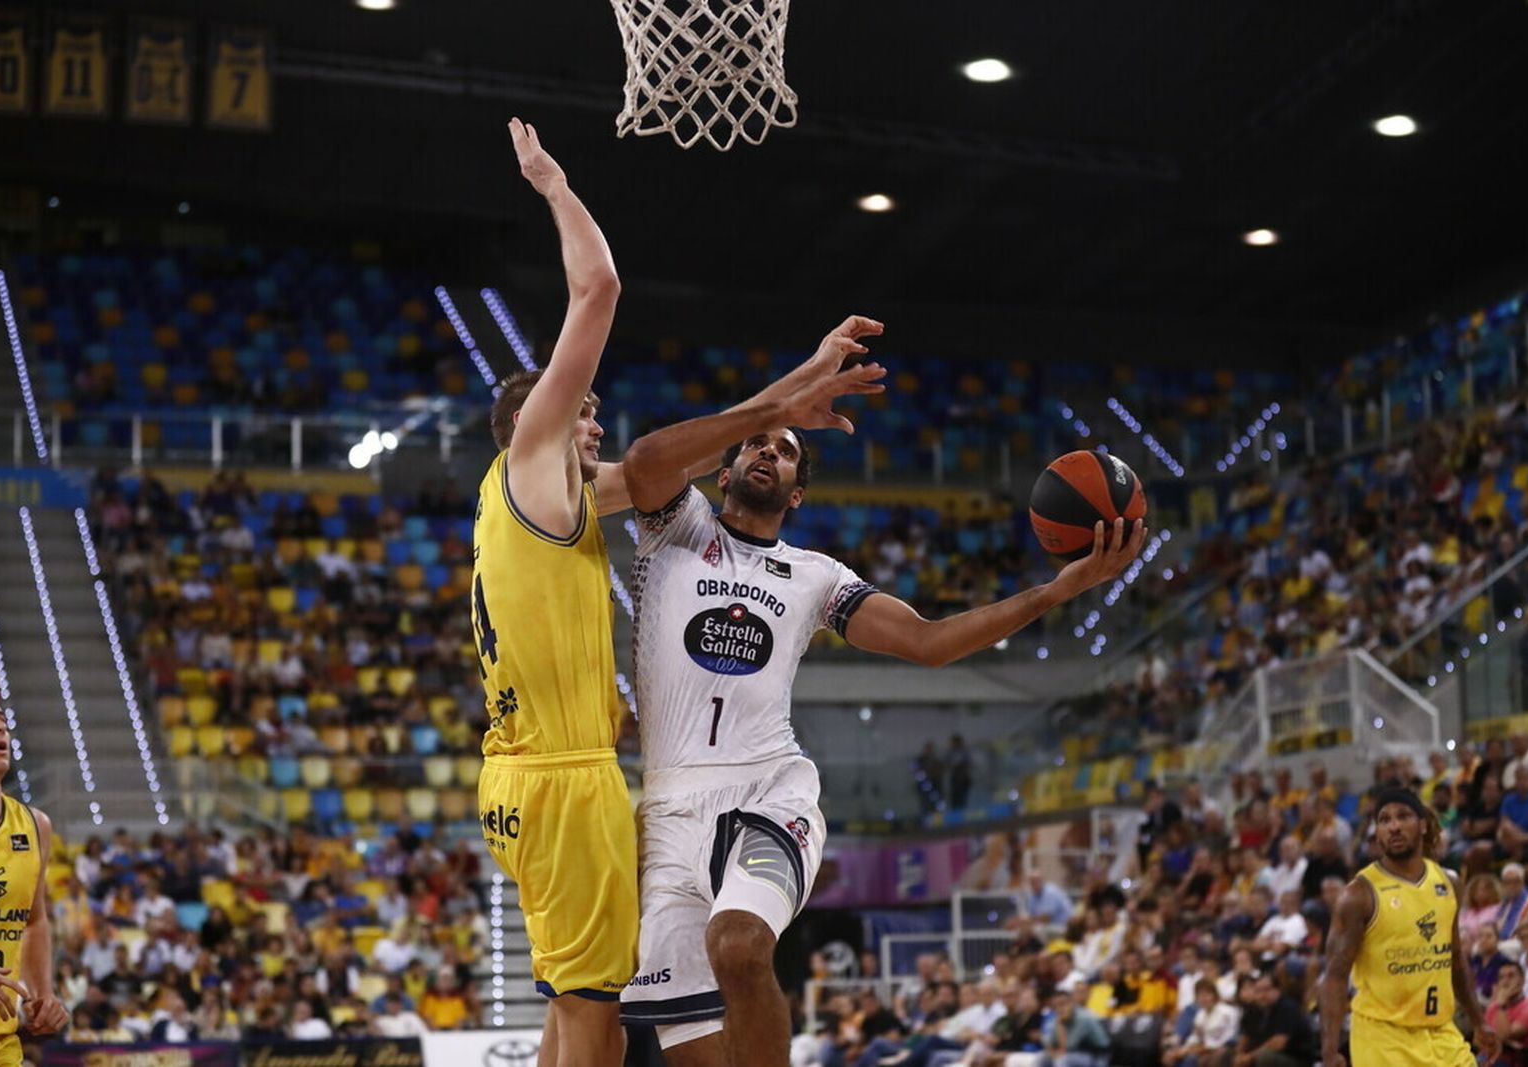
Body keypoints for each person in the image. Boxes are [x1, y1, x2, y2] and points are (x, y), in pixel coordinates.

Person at [616, 330, 1144, 1067]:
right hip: (669, 808)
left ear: (797, 493)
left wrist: (1056, 591)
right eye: (759, 444)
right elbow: (642, 461)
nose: (769, 451)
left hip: (768, 792)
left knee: (738, 946)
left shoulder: (815, 574)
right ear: (729, 464)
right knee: (693, 1050)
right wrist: (776, 404)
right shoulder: (675, 524)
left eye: (787, 450)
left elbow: (930, 642)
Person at [469, 117, 640, 1065]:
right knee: (593, 1018)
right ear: (534, 421)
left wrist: (786, 398)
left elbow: (650, 477)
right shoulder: (534, 459)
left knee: (569, 1009)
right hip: (560, 780)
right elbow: (599, 288)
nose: (594, 424)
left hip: (522, 775)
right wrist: (553, 185)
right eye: (584, 413)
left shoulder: (516, 504)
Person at [1318, 787, 1499, 1067]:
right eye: (1384, 820)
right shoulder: (1358, 895)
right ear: (1377, 833)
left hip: (1440, 1033)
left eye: (1403, 816)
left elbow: (1454, 958)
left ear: (1423, 825)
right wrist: (1329, 1049)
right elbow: (1334, 975)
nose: (1394, 826)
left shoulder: (1448, 883)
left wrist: (1479, 1021)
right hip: (1383, 1039)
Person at [0, 691, 70, 1065]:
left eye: (1, 718)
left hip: (0, 1045)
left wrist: (42, 994)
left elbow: (33, 921)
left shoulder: (35, 826)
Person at [1235, 972, 1317, 1067]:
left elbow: (1278, 1043)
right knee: (1228, 1054)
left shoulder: (1287, 1008)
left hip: (1296, 1058)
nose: (1262, 995)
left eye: (1266, 990)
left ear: (1278, 990)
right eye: (1258, 991)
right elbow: (1246, 1036)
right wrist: (1238, 1055)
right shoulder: (1257, 1008)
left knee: (1265, 1058)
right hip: (1271, 1054)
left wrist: (1249, 1057)